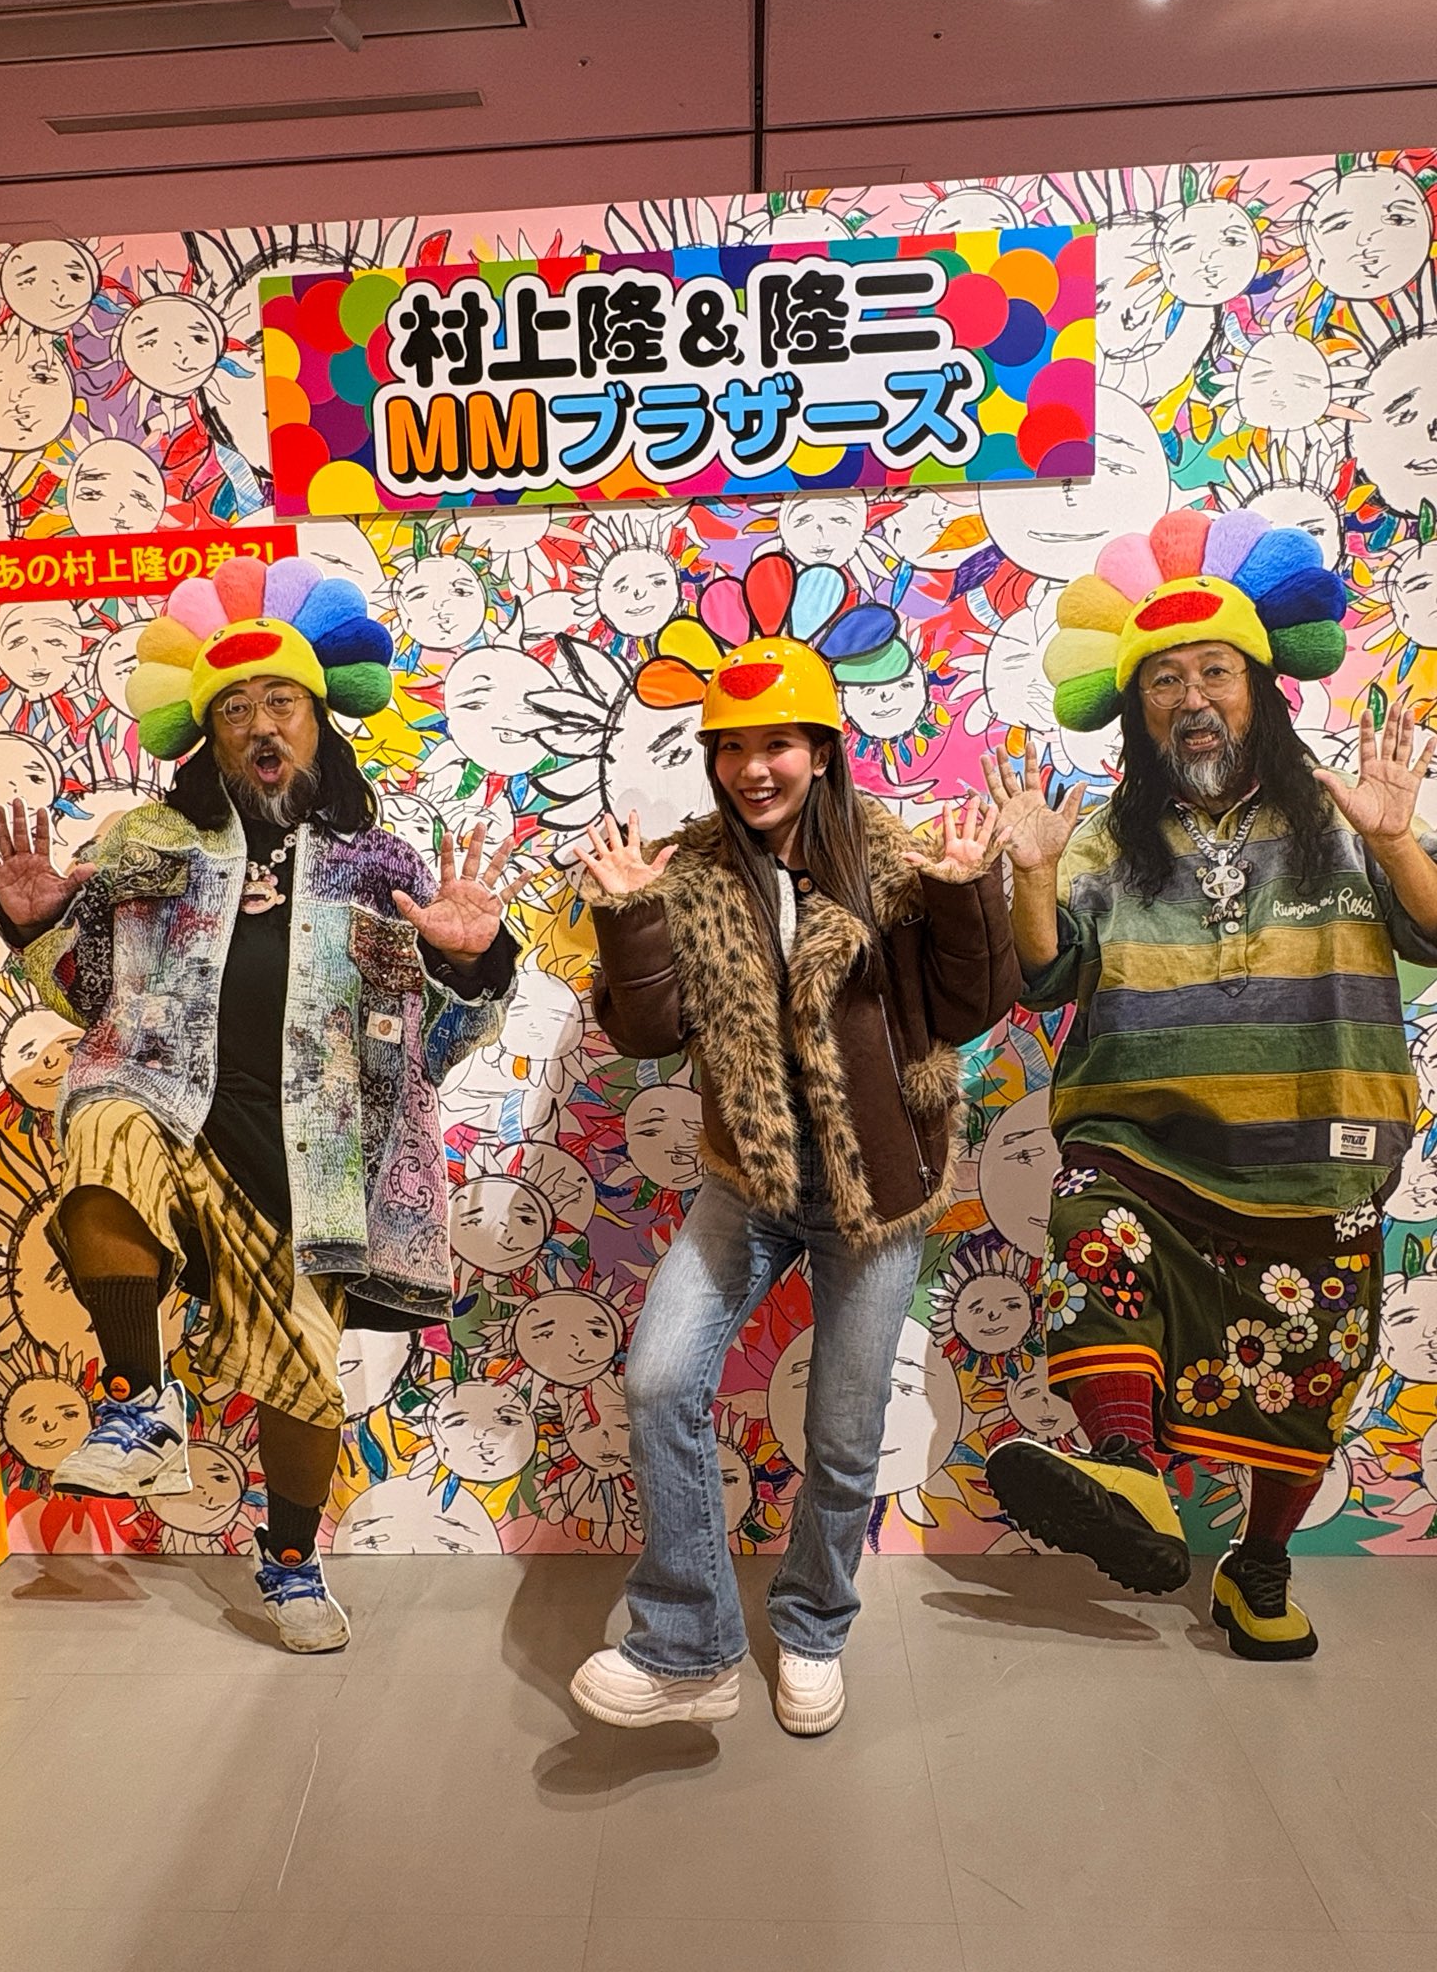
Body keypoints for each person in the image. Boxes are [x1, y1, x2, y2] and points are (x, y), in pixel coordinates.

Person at [0, 554, 524, 1652]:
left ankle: (290, 1558)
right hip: (167, 1104)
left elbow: (435, 1046)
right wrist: (36, 925)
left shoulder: (380, 863)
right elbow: (92, 993)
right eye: (235, 708)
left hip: (310, 1162)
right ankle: (138, 1398)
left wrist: (466, 964)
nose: (261, 725)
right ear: (207, 734)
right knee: (102, 1121)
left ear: (319, 719)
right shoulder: (148, 844)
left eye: (281, 701)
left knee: (301, 1379)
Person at [983, 508, 1437, 1660]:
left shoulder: (1347, 816)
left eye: (1215, 671)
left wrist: (1395, 843)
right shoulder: (1102, 837)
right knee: (1093, 1231)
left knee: (1308, 1374)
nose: (1192, 697)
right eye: (1164, 679)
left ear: (1262, 687)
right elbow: (1044, 975)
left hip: (1314, 1163)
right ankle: (1128, 1472)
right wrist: (1031, 873)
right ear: (1136, 711)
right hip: (1143, 1146)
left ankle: (1257, 1567)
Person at [568, 636, 1019, 1732]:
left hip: (878, 1189)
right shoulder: (689, 873)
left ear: (821, 751)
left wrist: (966, 895)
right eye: (732, 748)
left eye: (776, 744)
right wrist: (629, 917)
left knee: (845, 1436)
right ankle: (692, 1647)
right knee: (660, 1380)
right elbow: (650, 1033)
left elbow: (972, 1008)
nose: (752, 768)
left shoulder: (895, 864)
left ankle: (814, 1625)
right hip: (751, 1181)